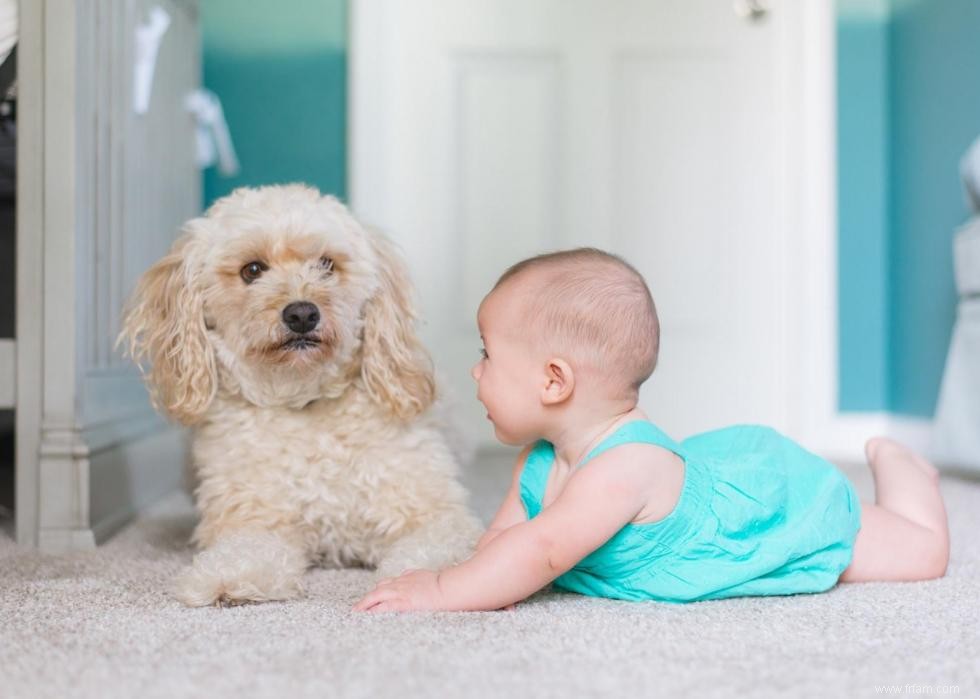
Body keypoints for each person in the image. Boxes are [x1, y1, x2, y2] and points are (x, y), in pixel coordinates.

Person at [353, 248, 950, 612]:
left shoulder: (621, 470)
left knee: (921, 553)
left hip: (767, 508)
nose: (475, 370)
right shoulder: (538, 461)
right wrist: (483, 582)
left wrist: (442, 592)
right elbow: (506, 544)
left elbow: (541, 550)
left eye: (488, 356)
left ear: (554, 381)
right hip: (701, 472)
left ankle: (901, 466)